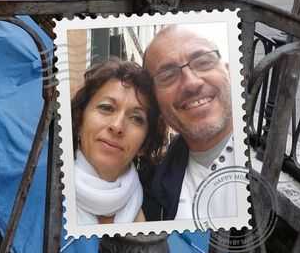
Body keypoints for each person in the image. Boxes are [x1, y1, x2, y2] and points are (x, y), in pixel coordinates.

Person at [141, 26, 238, 221]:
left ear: (228, 70)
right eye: (168, 76)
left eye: (203, 62)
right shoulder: (151, 189)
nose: (192, 83)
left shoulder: (270, 158)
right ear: (156, 103)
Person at [71, 59, 166, 225]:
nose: (117, 126)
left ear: (144, 145)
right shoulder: (43, 187)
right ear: (80, 120)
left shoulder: (159, 210)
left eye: (136, 118)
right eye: (106, 108)